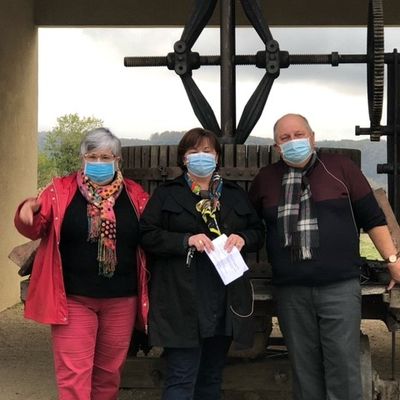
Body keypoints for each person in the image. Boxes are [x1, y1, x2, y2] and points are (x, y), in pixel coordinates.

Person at [249, 113, 400, 400]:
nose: (293, 141)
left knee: (343, 365)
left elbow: (373, 219)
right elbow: (251, 226)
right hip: (291, 289)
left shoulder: (340, 169)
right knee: (304, 370)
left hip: (339, 287)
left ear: (312, 138)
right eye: (285, 138)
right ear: (276, 147)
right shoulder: (266, 179)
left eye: (298, 135)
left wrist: (393, 262)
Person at [14, 127, 149, 400]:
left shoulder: (135, 195)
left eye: (106, 157)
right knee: (74, 378)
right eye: (93, 156)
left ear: (118, 161)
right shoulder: (59, 191)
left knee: (108, 377)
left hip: (122, 299)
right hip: (73, 299)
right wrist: (26, 213)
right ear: (83, 159)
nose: (99, 162)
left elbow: (151, 234)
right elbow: (35, 227)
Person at [140, 127, 264, 400]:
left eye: (207, 151)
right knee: (181, 377)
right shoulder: (167, 194)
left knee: (211, 376)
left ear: (217, 156)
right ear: (183, 158)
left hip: (224, 298)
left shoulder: (233, 195)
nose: (200, 156)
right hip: (181, 297)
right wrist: (184, 240)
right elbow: (146, 234)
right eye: (193, 151)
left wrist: (243, 237)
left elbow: (258, 232)